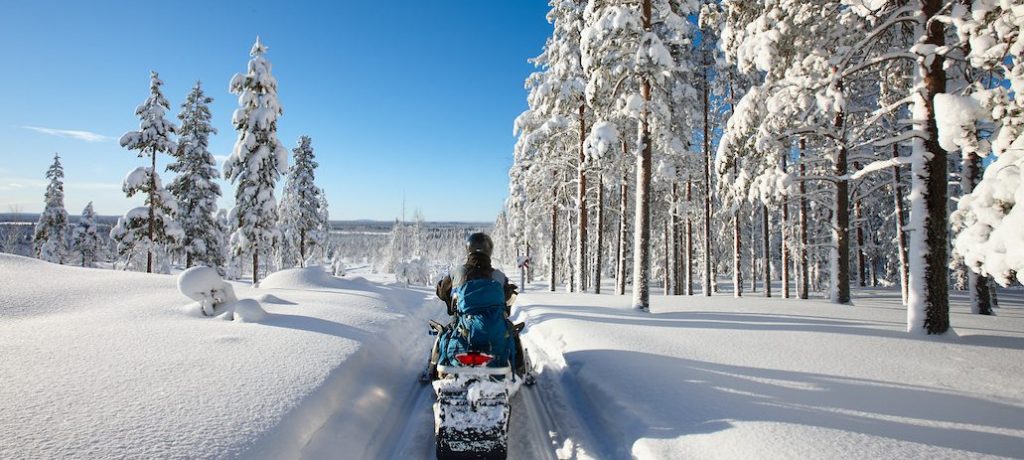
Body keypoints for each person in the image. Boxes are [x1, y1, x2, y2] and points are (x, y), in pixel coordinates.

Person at [425, 232, 526, 381]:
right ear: (489, 250)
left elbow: (441, 291)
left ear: (468, 249)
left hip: (465, 323)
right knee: (512, 333)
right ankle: (520, 369)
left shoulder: (458, 272)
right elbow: (507, 296)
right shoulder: (498, 275)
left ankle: (433, 369)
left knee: (444, 334)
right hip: (494, 325)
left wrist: (449, 299)